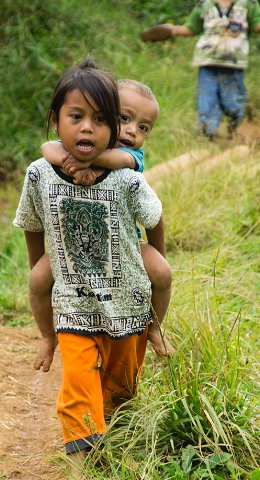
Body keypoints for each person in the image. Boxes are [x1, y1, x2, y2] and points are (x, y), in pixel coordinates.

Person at [13, 59, 164, 480]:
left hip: (126, 300)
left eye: (101, 119)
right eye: (76, 117)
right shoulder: (40, 173)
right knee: (78, 382)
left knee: (120, 386)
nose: (87, 128)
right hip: (74, 302)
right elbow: (31, 225)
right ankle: (78, 476)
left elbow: (156, 218)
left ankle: (113, 442)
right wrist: (43, 274)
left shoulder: (125, 176)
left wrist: (154, 261)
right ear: (56, 118)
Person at [36, 78, 174, 359]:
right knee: (37, 279)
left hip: (125, 245)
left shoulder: (132, 156)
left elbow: (117, 160)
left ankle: (155, 327)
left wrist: (86, 161)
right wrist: (69, 160)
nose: (133, 131)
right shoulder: (77, 144)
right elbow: (47, 147)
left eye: (143, 127)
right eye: (125, 118)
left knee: (163, 273)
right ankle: (48, 337)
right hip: (71, 246)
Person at [166, 0, 260, 138]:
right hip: (207, 60)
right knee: (207, 99)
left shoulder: (248, 3)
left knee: (233, 100)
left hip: (233, 62)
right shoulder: (204, 4)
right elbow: (191, 28)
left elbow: (258, 25)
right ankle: (207, 134)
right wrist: (172, 29)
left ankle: (237, 131)